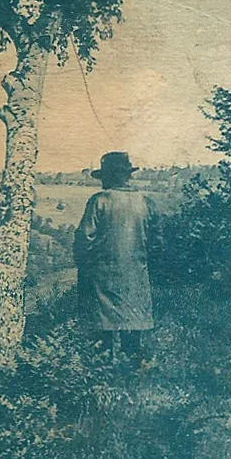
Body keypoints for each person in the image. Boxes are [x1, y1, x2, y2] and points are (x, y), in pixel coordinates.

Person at [73, 151, 156, 363]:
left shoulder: (99, 201)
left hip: (103, 277)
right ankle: (132, 377)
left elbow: (84, 237)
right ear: (127, 175)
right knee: (132, 330)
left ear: (109, 176)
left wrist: (83, 267)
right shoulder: (145, 202)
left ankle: (102, 380)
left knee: (102, 333)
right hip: (136, 276)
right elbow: (156, 242)